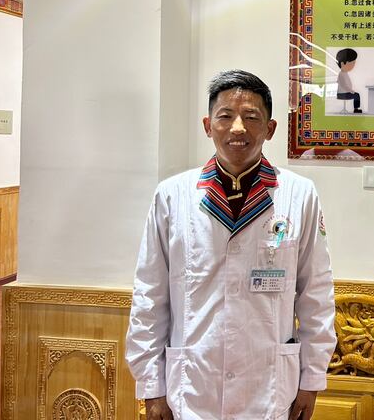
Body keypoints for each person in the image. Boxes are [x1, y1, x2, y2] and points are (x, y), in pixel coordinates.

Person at [126, 70, 336, 420]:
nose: (238, 127)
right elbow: (150, 296)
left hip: (268, 386)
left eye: (251, 117)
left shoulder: (299, 195)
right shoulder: (171, 196)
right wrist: (151, 387)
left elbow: (316, 293)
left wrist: (312, 379)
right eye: (225, 116)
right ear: (208, 125)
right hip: (192, 385)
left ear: (269, 129)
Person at [335, 48, 362, 113]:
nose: (353, 66)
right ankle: (356, 109)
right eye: (351, 64)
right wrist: (351, 90)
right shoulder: (341, 74)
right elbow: (344, 85)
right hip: (342, 94)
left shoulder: (344, 73)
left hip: (345, 92)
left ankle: (356, 109)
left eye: (354, 64)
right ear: (342, 64)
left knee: (356, 95)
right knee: (356, 95)